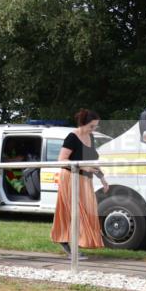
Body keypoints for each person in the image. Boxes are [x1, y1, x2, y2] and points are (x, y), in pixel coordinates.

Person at [50, 109, 109, 255]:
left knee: (88, 211)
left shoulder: (91, 137)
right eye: (91, 126)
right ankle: (67, 242)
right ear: (83, 124)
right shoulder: (72, 137)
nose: (93, 129)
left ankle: (76, 242)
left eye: (95, 126)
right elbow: (62, 160)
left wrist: (102, 178)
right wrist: (83, 166)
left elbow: (92, 160)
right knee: (74, 212)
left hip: (85, 180)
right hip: (71, 177)